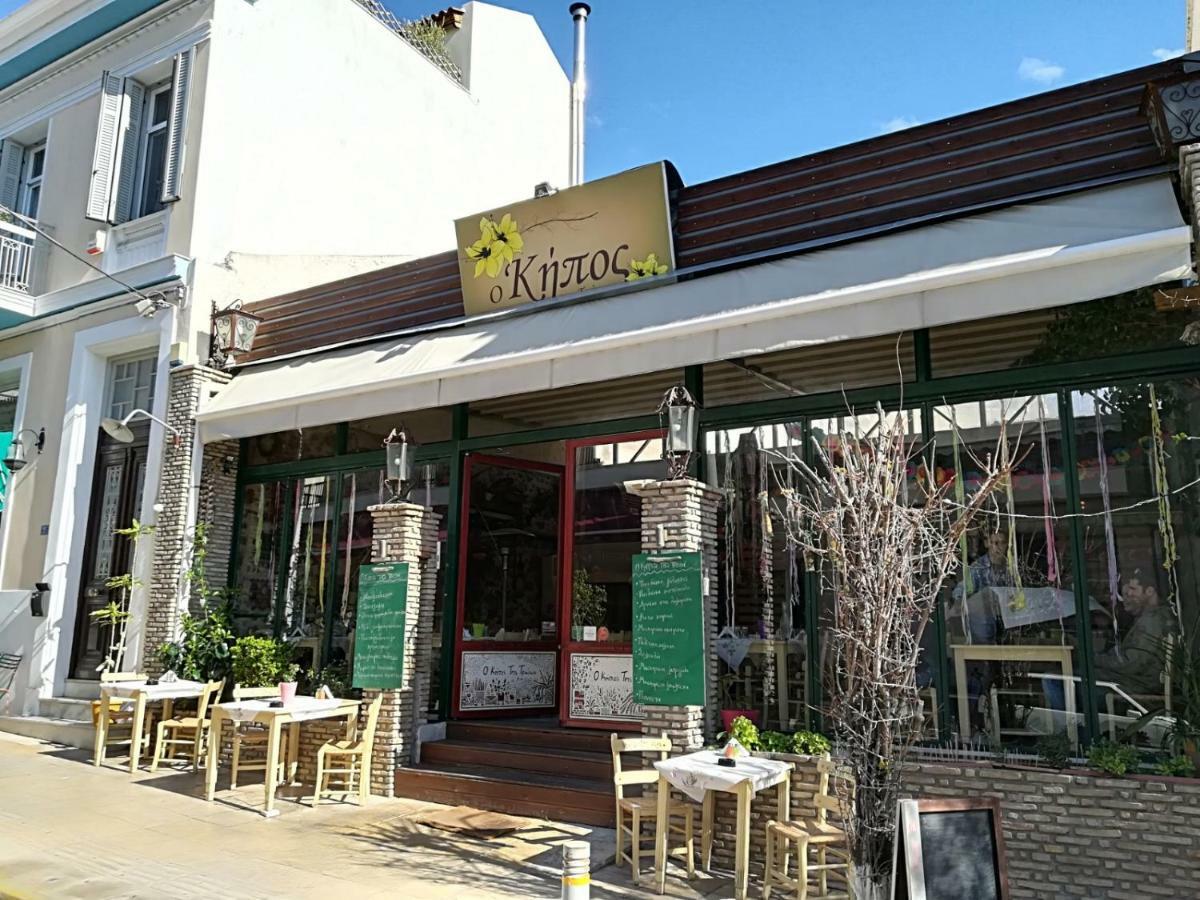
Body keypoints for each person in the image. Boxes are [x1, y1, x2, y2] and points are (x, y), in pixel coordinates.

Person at [1093, 572, 1177, 697]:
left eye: (1133, 589)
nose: (1128, 595)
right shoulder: (1149, 618)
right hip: (1135, 684)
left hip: (1138, 689)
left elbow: (1132, 664)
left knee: (1071, 680)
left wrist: (1092, 659)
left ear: (1149, 591)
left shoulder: (1152, 621)